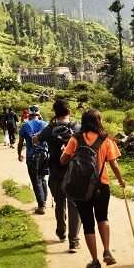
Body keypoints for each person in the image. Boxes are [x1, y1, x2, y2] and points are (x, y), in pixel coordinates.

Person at [60, 109, 125, 268]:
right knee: (103, 218)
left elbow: (63, 161)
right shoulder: (106, 140)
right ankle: (107, 251)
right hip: (102, 186)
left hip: (81, 188)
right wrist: (121, 180)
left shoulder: (75, 139)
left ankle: (95, 261)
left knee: (88, 223)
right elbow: (114, 164)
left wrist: (65, 152)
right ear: (98, 121)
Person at [33, 100, 82, 253]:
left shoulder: (50, 128)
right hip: (74, 173)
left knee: (59, 203)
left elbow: (36, 140)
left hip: (56, 172)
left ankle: (61, 233)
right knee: (74, 205)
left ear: (55, 112)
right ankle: (73, 241)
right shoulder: (77, 127)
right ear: (69, 111)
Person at [18, 105, 49, 214]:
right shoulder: (45, 124)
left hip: (32, 157)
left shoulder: (25, 125)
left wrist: (19, 154)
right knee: (42, 178)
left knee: (36, 180)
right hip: (45, 156)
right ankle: (44, 201)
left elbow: (21, 142)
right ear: (38, 114)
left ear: (28, 114)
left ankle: (41, 206)